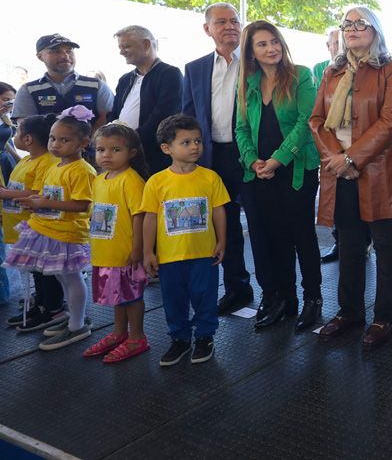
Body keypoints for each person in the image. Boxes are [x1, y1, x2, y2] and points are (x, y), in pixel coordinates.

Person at [309, 6, 392, 350]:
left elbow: (391, 120)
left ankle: (386, 317)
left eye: (360, 23)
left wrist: (352, 158)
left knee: (385, 244)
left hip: (376, 169)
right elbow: (317, 120)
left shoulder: (390, 69)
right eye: (346, 24)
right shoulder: (331, 72)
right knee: (349, 243)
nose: (352, 29)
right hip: (340, 169)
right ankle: (349, 312)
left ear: (375, 31)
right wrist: (337, 160)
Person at [235, 21, 322, 331]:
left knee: (301, 236)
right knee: (273, 239)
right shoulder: (247, 84)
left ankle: (313, 299)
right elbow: (241, 128)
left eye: (274, 41)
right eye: (262, 44)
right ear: (251, 52)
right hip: (259, 173)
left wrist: (276, 160)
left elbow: (306, 123)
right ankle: (282, 299)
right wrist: (252, 161)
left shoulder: (301, 74)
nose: (271, 48)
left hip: (296, 170)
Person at [4, 106, 99, 350]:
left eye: (64, 140)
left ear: (83, 143)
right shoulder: (56, 166)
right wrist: (37, 203)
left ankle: (77, 325)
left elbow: (82, 205)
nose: (56, 144)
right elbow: (46, 195)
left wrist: (43, 202)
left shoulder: (82, 170)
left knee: (72, 278)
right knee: (61, 278)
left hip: (66, 234)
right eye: (53, 139)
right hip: (47, 230)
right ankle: (70, 317)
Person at [181, 3, 254, 315]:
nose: (230, 27)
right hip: (212, 158)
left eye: (235, 21)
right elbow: (187, 113)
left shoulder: (256, 62)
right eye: (221, 21)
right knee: (224, 227)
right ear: (207, 29)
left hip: (250, 156)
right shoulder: (194, 68)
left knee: (263, 224)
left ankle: (277, 289)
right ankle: (238, 288)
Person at [142, 114, 229, 366]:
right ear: (167, 148)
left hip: (204, 254)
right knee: (173, 300)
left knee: (205, 297)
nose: (194, 147)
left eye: (198, 141)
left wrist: (222, 241)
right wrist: (148, 252)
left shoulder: (210, 178)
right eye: (186, 142)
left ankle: (204, 336)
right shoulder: (156, 182)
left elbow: (218, 211)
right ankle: (179, 339)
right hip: (170, 258)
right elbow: (149, 218)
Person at [81, 122, 150, 363]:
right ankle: (119, 333)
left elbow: (139, 217)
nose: (106, 155)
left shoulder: (132, 181)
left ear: (131, 152)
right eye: (101, 150)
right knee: (117, 296)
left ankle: (137, 336)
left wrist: (137, 249)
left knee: (131, 296)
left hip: (125, 253)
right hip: (105, 251)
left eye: (115, 150)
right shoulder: (99, 180)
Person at [2, 115, 60, 326]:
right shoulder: (27, 159)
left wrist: (3, 193)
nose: (14, 136)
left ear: (28, 139)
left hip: (38, 227)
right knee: (35, 269)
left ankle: (53, 307)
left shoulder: (46, 163)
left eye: (17, 132)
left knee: (46, 270)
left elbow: (35, 192)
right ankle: (40, 303)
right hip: (24, 226)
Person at [110, 25, 183, 175]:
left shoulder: (169, 74)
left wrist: (131, 141)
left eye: (126, 46)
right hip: (123, 154)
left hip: (152, 155)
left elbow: (164, 114)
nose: (121, 51)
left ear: (146, 44)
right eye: (120, 47)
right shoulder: (125, 79)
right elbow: (115, 112)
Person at [12, 34, 114, 134]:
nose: (65, 56)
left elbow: (107, 119)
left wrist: (88, 142)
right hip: (45, 150)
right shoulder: (28, 90)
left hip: (90, 148)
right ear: (40, 56)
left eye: (69, 51)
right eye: (56, 51)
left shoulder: (97, 86)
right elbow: (25, 127)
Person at [312, 29, 341, 264]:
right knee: (335, 201)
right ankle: (338, 242)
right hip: (328, 144)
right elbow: (316, 112)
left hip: (355, 147)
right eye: (334, 43)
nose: (338, 46)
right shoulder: (321, 69)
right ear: (327, 46)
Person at [0, 83, 18, 182]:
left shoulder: (4, 116)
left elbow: (6, 141)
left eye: (12, 100)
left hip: (6, 160)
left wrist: (18, 159)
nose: (9, 104)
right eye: (5, 100)